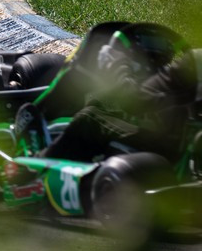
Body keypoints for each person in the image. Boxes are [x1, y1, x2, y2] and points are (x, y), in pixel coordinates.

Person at [14, 24, 200, 163]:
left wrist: (116, 66)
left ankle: (33, 168)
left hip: (172, 146)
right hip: (185, 144)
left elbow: (136, 100)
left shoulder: (196, 61)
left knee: (90, 118)